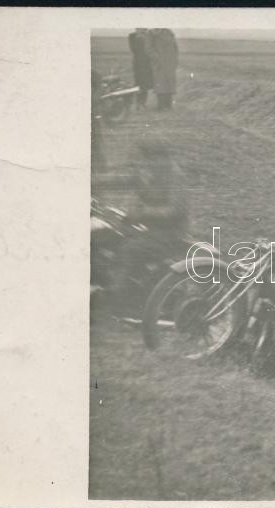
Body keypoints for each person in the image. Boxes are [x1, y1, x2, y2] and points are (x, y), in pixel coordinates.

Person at [109, 138, 189, 310]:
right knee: (112, 236)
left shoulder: (175, 176)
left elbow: (176, 211)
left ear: (159, 158)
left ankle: (118, 300)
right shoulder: (150, 173)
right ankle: (126, 288)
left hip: (170, 235)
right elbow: (120, 180)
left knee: (129, 250)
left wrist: (143, 213)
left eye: (146, 159)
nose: (142, 163)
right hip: (149, 230)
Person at [148, 28, 179, 110]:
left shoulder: (169, 32)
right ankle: (161, 106)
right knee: (160, 84)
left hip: (170, 63)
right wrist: (156, 58)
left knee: (169, 84)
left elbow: (175, 48)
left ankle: (168, 105)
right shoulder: (152, 33)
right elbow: (148, 49)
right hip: (159, 63)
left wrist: (175, 60)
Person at [128, 28, 154, 109]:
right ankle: (139, 104)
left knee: (145, 84)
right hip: (139, 64)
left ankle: (142, 103)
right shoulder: (133, 37)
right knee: (139, 84)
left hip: (146, 64)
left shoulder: (147, 37)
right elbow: (134, 49)